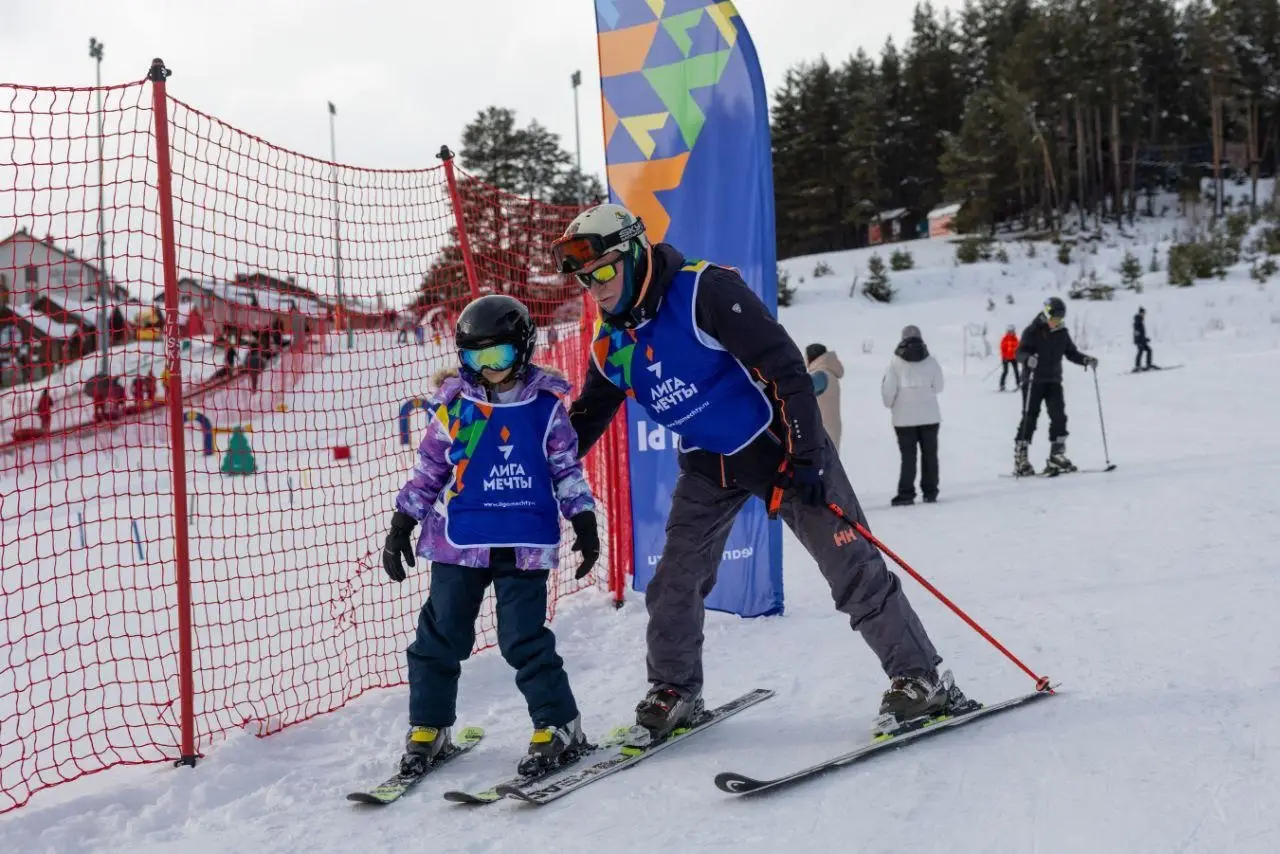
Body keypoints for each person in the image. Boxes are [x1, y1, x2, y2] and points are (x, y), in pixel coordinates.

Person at [555, 202, 968, 740]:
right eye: (587, 280)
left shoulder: (705, 290)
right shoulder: (611, 342)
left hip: (779, 450)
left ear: (634, 254)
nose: (598, 287)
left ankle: (921, 678)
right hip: (709, 464)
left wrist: (806, 458)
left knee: (852, 568)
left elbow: (785, 367)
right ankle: (674, 688)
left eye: (605, 270)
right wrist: (542, 472)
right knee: (674, 580)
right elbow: (583, 422)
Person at [381, 294, 600, 777]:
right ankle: (429, 726)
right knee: (439, 636)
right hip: (459, 541)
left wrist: (583, 520)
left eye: (498, 356)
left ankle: (559, 723)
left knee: (523, 638)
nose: (489, 367)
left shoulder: (545, 409)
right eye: (477, 357)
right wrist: (403, 523)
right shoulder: (455, 409)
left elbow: (566, 471)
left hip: (523, 542)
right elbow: (429, 471)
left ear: (521, 351)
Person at [1013, 297, 1098, 476]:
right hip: (1033, 381)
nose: (1056, 322)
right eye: (1054, 318)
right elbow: (1019, 352)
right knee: (1030, 417)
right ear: (1046, 313)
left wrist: (1085, 360)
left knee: (1059, 416)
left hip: (1053, 381)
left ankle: (1056, 454)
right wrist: (1028, 359)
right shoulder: (1032, 331)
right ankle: (1021, 457)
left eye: (1059, 318)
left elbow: (1071, 353)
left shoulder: (1062, 333)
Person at [881, 325, 943, 506]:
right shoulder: (931, 361)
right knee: (930, 454)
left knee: (908, 456)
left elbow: (888, 391)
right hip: (930, 417)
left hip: (903, 419)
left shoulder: (894, 363)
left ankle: (906, 493)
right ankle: (930, 491)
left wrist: (891, 404)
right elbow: (939, 387)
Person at [805, 343, 844, 452]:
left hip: (822, 434)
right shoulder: (829, 374)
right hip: (829, 431)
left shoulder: (820, 376)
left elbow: (802, 389)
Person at [999, 324, 1020, 391]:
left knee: (1016, 371)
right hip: (1006, 358)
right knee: (1005, 371)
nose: (1010, 333)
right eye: (1009, 331)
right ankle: (1002, 385)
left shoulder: (1015, 339)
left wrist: (1016, 355)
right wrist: (1005, 356)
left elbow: (1018, 348)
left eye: (1012, 331)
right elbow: (1002, 349)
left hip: (1013, 358)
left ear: (1014, 332)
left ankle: (1018, 384)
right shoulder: (1004, 339)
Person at [1133, 306, 1152, 372]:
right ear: (1141, 313)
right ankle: (1137, 366)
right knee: (1141, 352)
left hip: (1141, 340)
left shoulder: (1140, 321)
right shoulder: (1138, 321)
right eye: (1143, 313)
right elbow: (1137, 332)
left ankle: (1148, 365)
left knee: (1148, 350)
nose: (1144, 314)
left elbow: (1141, 333)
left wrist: (1145, 339)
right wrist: (1139, 341)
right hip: (1139, 341)